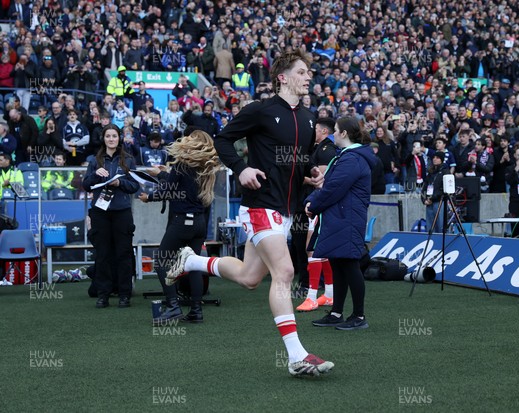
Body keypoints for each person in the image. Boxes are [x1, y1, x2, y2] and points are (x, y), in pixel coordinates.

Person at [165, 49, 333, 377]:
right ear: (282, 77)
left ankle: (191, 261)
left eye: (309, 73)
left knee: (249, 278)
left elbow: (300, 158)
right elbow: (223, 140)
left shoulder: (309, 117)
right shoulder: (260, 110)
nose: (308, 77)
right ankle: (297, 356)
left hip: (286, 211)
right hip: (259, 205)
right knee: (284, 271)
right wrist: (241, 168)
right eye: (302, 72)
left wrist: (312, 172)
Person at [139, 131, 220, 324]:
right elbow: (182, 184)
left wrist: (148, 197)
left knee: (161, 261)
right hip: (200, 222)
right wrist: (163, 174)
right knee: (193, 266)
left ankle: (173, 306)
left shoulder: (182, 164)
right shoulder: (206, 167)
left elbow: (169, 190)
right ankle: (196, 311)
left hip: (183, 221)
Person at [305, 116, 374, 330]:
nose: (333, 134)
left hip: (347, 218)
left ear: (344, 133)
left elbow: (333, 188)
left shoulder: (352, 159)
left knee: (349, 265)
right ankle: (337, 313)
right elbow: (329, 186)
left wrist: (312, 204)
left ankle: (359, 316)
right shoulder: (348, 156)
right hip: (342, 218)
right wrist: (312, 202)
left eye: (335, 130)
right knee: (338, 263)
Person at [82, 124, 140, 308]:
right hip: (100, 213)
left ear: (119, 138)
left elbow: (135, 186)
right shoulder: (94, 160)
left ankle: (124, 294)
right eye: (108, 136)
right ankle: (103, 294)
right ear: (104, 138)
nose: (111, 139)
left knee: (124, 254)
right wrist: (94, 175)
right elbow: (86, 185)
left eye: (114, 136)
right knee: (102, 255)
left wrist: (119, 182)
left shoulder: (129, 160)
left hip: (122, 212)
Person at [296, 117, 337, 312]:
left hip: (320, 203)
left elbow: (320, 181)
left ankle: (312, 296)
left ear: (323, 131)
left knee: (312, 248)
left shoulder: (327, 149)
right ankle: (329, 294)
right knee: (319, 249)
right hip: (319, 202)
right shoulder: (318, 148)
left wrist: (313, 201)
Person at [421, 152, 450, 234]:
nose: (434, 159)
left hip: (439, 202)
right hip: (429, 202)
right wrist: (424, 199)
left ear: (441, 159)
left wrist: (433, 198)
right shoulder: (430, 172)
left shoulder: (445, 172)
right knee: (430, 227)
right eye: (434, 157)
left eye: (437, 157)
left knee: (440, 225)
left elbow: (445, 189)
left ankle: (442, 244)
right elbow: (424, 187)